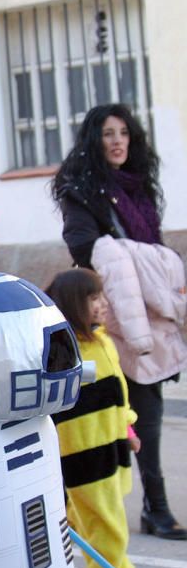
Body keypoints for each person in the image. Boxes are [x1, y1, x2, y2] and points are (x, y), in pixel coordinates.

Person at [54, 104, 186, 540]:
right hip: (107, 317)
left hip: (148, 317)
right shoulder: (81, 190)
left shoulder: (140, 188)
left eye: (124, 133)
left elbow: (156, 251)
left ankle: (155, 507)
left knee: (147, 415)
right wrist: (128, 253)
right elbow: (83, 245)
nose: (117, 141)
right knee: (112, 422)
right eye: (108, 133)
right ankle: (95, 516)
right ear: (94, 140)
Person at [46, 268, 152, 568]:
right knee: (104, 514)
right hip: (82, 450)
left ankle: (64, 567)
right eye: (93, 298)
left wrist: (127, 427)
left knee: (85, 512)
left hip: (109, 443)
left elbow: (115, 394)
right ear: (73, 304)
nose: (102, 304)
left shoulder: (101, 341)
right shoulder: (63, 350)